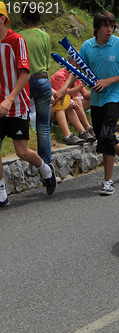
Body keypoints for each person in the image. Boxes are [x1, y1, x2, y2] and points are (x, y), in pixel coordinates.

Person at [54, 11, 119, 195]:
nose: (110, 30)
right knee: (102, 135)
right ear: (97, 28)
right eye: (106, 26)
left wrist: (109, 81)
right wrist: (64, 88)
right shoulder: (87, 46)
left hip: (113, 97)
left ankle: (107, 181)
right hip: (96, 99)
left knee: (106, 135)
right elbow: (75, 69)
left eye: (112, 26)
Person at [0, 3, 56, 207]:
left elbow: (24, 73)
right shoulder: (39, 36)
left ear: (4, 18)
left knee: (21, 152)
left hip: (17, 101)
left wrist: (9, 98)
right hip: (4, 102)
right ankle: (1, 193)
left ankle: (46, 169)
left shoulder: (17, 39)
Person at [17, 2, 52, 164]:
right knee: (43, 127)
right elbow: (46, 63)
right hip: (42, 80)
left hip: (23, 82)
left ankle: (28, 156)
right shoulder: (44, 36)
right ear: (39, 17)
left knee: (20, 122)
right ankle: (47, 167)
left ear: (23, 17)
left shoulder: (16, 35)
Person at [50, 62, 96, 142]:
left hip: (67, 105)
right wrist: (82, 84)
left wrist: (100, 95)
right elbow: (61, 95)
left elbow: (84, 93)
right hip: (51, 109)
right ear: (73, 63)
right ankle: (69, 135)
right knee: (66, 104)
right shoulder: (59, 75)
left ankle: (84, 131)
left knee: (93, 99)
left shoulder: (76, 74)